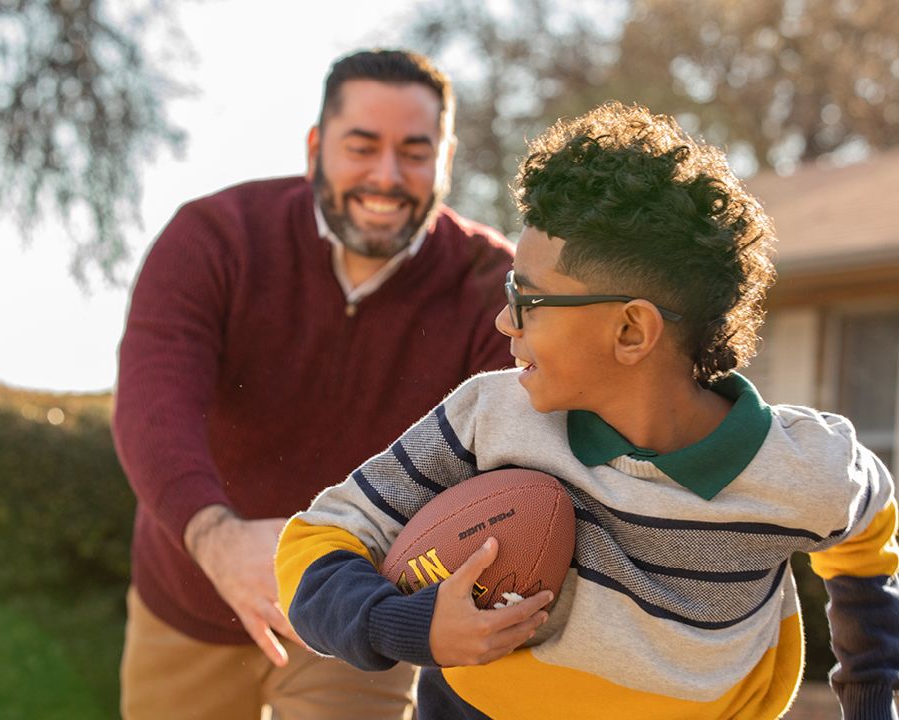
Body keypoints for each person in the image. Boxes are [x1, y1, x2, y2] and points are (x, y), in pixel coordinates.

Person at [275, 101, 899, 719]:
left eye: (530, 300)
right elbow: (314, 544)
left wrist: (871, 702)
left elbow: (869, 541)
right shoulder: (487, 419)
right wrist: (409, 626)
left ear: (631, 331)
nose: (502, 320)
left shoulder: (807, 467)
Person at [112, 49, 515, 719]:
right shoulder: (214, 238)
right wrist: (217, 537)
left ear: (445, 160)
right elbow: (153, 407)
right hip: (189, 589)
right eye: (362, 147)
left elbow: (515, 452)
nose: (386, 177)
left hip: (359, 612)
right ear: (316, 147)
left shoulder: (489, 287)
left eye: (415, 153)